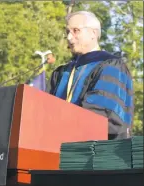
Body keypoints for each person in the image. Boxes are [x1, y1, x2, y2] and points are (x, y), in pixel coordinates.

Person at [46, 11, 134, 140]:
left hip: (96, 153)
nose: (69, 37)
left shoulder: (111, 66)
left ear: (93, 33)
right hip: (56, 150)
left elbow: (101, 115)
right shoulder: (60, 73)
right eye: (67, 32)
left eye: (75, 31)